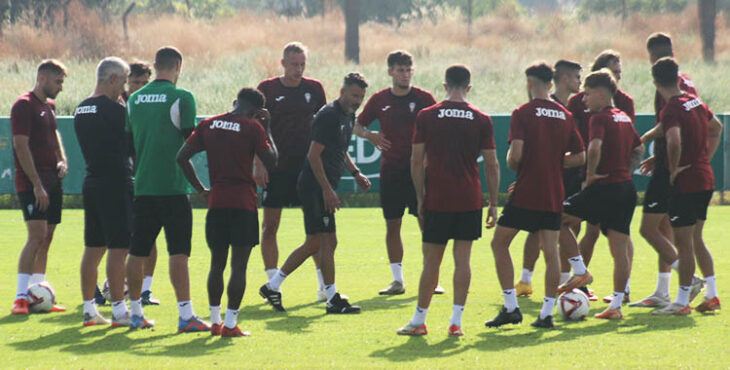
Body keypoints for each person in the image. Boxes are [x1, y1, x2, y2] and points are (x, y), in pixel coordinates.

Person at [396, 64, 499, 336]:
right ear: (469, 87)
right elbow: (492, 164)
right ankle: (456, 322)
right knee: (462, 261)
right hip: (469, 198)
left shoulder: (427, 116)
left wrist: (419, 197)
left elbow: (416, 160)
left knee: (431, 263)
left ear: (444, 85)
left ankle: (419, 321)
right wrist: (492, 202)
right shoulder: (481, 119)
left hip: (437, 198)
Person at [259, 73, 371, 314]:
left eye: (361, 96)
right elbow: (313, 155)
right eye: (354, 95)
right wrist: (327, 190)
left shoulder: (348, 115)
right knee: (316, 242)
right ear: (342, 92)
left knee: (329, 242)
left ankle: (330, 295)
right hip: (313, 188)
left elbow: (340, 150)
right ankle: (274, 285)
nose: (357, 100)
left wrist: (356, 173)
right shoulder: (329, 115)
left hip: (322, 187)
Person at [486, 62, 585, 330]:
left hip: (527, 191)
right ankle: (547, 313)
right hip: (553, 193)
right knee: (551, 252)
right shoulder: (565, 115)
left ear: (529, 84)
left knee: (499, 244)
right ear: (551, 84)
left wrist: (524, 164)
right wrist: (554, 163)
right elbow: (580, 156)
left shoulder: (522, 112)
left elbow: (515, 156)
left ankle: (510, 307)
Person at [177, 87, 279, 337]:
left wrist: (202, 189)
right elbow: (272, 161)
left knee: (217, 264)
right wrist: (267, 127)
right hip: (243, 203)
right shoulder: (252, 127)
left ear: (235, 102)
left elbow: (182, 157)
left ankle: (214, 322)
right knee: (239, 267)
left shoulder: (209, 124)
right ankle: (231, 325)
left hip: (217, 202)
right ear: (255, 111)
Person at [125, 46, 209, 332]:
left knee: (136, 252)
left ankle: (135, 313)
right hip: (173, 188)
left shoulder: (134, 99)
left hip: (144, 188)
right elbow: (190, 143)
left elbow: (129, 145)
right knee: (178, 254)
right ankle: (186, 316)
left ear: (155, 65)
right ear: (178, 67)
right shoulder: (182, 97)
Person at [354, 50, 444, 296]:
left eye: (408, 70)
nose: (404, 74)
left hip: (421, 171)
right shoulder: (379, 99)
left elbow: (440, 127)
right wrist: (368, 135)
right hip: (392, 171)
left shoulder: (425, 98)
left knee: (426, 221)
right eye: (400, 70)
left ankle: (432, 278)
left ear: (412, 72)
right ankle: (397, 280)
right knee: (392, 225)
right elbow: (356, 124)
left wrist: (430, 158)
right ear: (390, 72)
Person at [561, 69, 644, 320]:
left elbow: (594, 147)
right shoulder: (623, 117)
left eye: (586, 94)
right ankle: (616, 306)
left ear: (599, 93)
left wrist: (591, 175)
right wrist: (625, 172)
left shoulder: (599, 118)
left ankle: (580, 271)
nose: (583, 100)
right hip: (625, 188)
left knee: (555, 216)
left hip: (603, 188)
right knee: (620, 249)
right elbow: (638, 150)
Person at [632, 32, 703, 308]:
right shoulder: (686, 83)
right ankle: (663, 291)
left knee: (650, 229)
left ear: (652, 57)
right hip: (679, 164)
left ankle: (690, 282)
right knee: (665, 228)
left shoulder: (669, 87)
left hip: (672, 168)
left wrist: (647, 140)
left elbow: (672, 125)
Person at [255, 42, 328, 301]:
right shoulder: (267, 89)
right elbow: (256, 129)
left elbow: (323, 127)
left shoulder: (314, 89)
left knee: (315, 230)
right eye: (294, 64)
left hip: (306, 170)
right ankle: (272, 283)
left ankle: (323, 285)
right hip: (276, 169)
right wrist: (258, 162)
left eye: (302, 64)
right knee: (270, 227)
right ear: (283, 63)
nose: (298, 69)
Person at [649, 57, 722, 315]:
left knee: (684, 243)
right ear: (679, 77)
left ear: (656, 82)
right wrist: (703, 157)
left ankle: (681, 301)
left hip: (688, 181)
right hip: (705, 177)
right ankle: (712, 295)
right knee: (696, 239)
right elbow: (717, 128)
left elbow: (673, 141)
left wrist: (674, 167)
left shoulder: (671, 108)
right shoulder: (696, 101)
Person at [94, 59, 160, 307]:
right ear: (125, 82)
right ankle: (104, 286)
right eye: (135, 82)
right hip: (118, 181)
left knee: (148, 237)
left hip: (143, 179)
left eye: (145, 82)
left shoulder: (146, 106)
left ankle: (145, 290)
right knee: (111, 238)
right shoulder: (115, 106)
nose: (140, 87)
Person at [515, 59, 582, 297]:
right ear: (562, 80)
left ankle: (560, 280)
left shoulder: (574, 107)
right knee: (547, 228)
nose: (580, 82)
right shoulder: (549, 106)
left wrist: (554, 162)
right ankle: (559, 278)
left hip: (565, 177)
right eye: (576, 77)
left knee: (562, 227)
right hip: (548, 180)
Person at [75, 57, 134, 326]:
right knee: (119, 247)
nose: (124, 89)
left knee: (93, 248)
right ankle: (120, 311)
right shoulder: (116, 111)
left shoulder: (81, 108)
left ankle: (89, 310)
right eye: (123, 81)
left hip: (92, 181)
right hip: (116, 182)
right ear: (112, 79)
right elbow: (131, 145)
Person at [11, 59, 69, 315]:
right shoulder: (23, 105)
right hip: (34, 183)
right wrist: (36, 184)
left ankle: (39, 291)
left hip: (52, 181)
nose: (61, 87)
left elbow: (54, 135)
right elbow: (20, 146)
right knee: (35, 236)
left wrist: (62, 159)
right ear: (43, 79)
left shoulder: (50, 106)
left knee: (47, 237)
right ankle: (20, 297)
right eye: (58, 81)